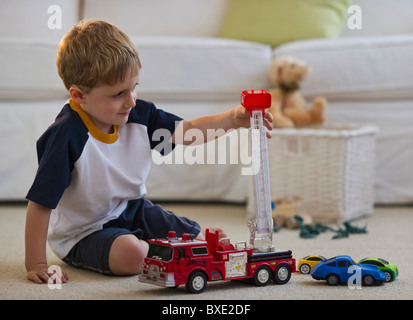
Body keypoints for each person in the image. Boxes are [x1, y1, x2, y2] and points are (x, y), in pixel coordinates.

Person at [25, 19, 273, 284]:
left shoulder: (139, 115)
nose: (131, 100)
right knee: (133, 254)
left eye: (134, 88)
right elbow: (40, 204)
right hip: (83, 233)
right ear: (78, 95)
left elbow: (187, 132)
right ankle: (153, 251)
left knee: (198, 240)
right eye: (118, 94)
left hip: (132, 210)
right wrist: (37, 263)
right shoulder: (66, 136)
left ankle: (167, 248)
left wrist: (233, 118)